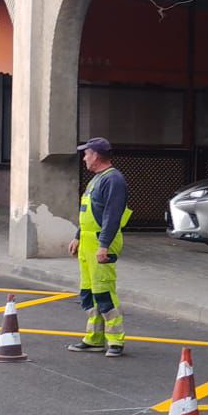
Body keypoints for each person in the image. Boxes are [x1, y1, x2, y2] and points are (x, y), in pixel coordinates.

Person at [67, 138, 131, 356]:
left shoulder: (113, 180)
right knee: (88, 293)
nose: (84, 158)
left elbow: (112, 216)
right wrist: (77, 236)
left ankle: (115, 341)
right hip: (88, 242)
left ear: (95, 155)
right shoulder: (97, 179)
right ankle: (94, 338)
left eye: (86, 154)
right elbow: (88, 211)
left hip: (100, 242)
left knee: (104, 293)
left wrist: (103, 245)